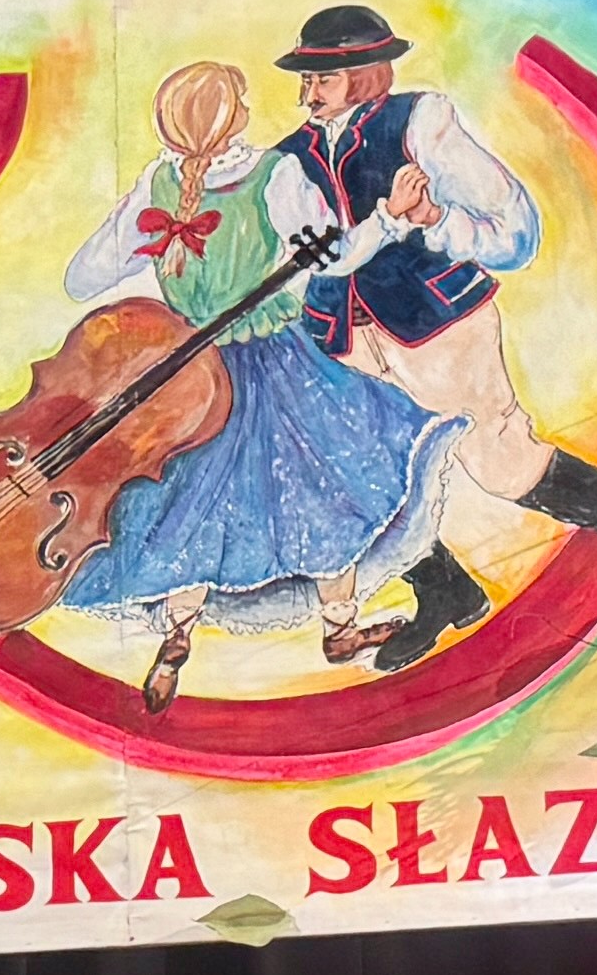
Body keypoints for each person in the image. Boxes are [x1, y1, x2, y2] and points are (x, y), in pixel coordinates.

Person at [257, 0, 597, 671]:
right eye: (306, 80)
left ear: (365, 73)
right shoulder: (287, 158)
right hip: (343, 337)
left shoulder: (420, 122)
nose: (307, 94)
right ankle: (445, 591)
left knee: (497, 458)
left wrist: (436, 221)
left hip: (437, 321)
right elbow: (304, 254)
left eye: (322, 78)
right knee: (365, 479)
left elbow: (515, 231)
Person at [52, 58, 463, 711]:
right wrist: (389, 217)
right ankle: (340, 628)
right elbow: (335, 257)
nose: (249, 107)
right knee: (322, 485)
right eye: (240, 99)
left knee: (188, 500)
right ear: (228, 117)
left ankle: (177, 637)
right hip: (273, 365)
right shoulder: (275, 175)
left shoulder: (158, 183)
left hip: (189, 380)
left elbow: (81, 278)